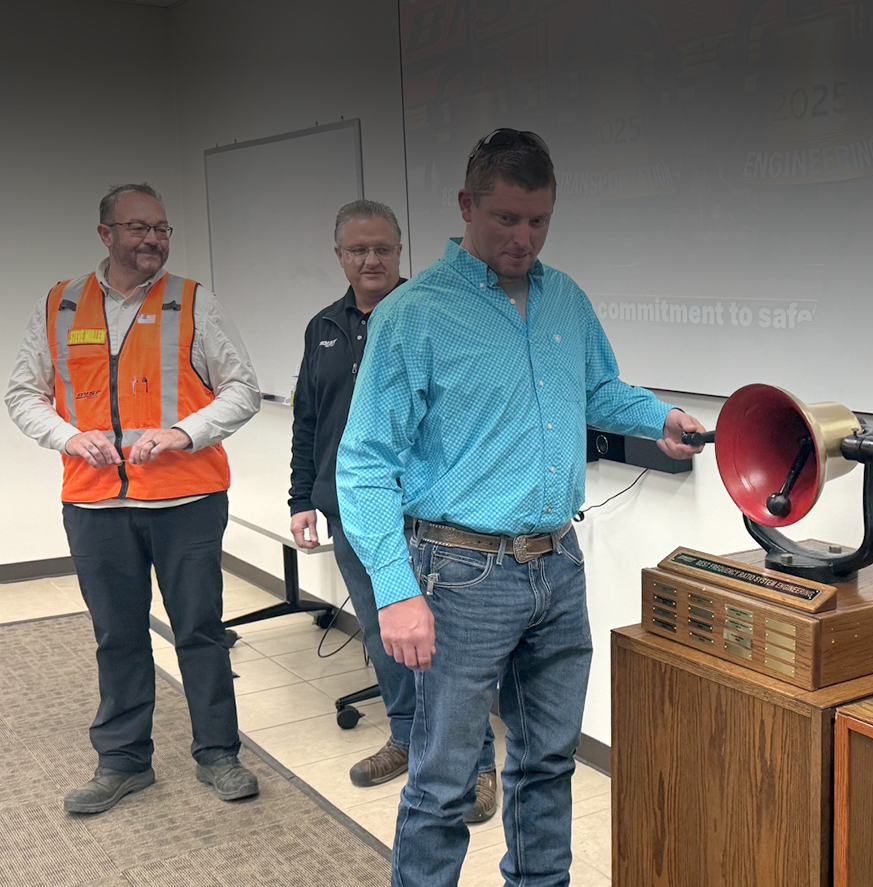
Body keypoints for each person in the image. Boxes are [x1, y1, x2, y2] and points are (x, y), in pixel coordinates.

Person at [336, 129, 704, 886]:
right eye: (505, 218)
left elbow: (597, 388)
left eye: (539, 220)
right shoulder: (415, 313)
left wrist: (657, 417)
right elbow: (365, 463)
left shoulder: (565, 296)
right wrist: (395, 589)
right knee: (444, 782)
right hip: (458, 574)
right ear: (467, 205)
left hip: (556, 566)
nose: (523, 238)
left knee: (547, 764)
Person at [5, 183, 263, 814]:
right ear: (106, 234)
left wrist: (184, 432)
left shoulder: (193, 301)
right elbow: (23, 393)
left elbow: (242, 388)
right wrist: (68, 436)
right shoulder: (61, 304)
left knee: (200, 631)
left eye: (162, 229)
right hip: (95, 502)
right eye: (139, 227)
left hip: (186, 499)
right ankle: (122, 761)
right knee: (117, 634)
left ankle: (219, 753)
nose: (153, 239)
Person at [288, 199, 498, 818]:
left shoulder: (431, 314)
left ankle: (477, 766)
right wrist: (302, 498)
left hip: (427, 515)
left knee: (447, 649)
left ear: (400, 251)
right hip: (353, 512)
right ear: (339, 256)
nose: (372, 260)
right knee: (386, 640)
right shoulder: (323, 328)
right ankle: (406, 739)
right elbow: (308, 421)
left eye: (383, 248)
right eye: (359, 250)